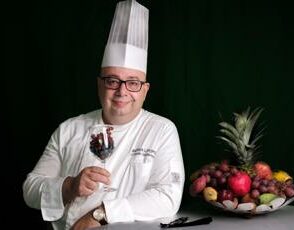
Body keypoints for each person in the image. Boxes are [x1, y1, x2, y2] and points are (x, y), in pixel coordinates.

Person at [22, 0, 185, 229]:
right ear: (100, 84)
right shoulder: (69, 129)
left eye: (133, 83)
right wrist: (68, 187)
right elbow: (30, 189)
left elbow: (168, 196)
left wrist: (101, 213)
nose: (122, 91)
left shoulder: (161, 130)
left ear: (145, 90)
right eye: (112, 81)